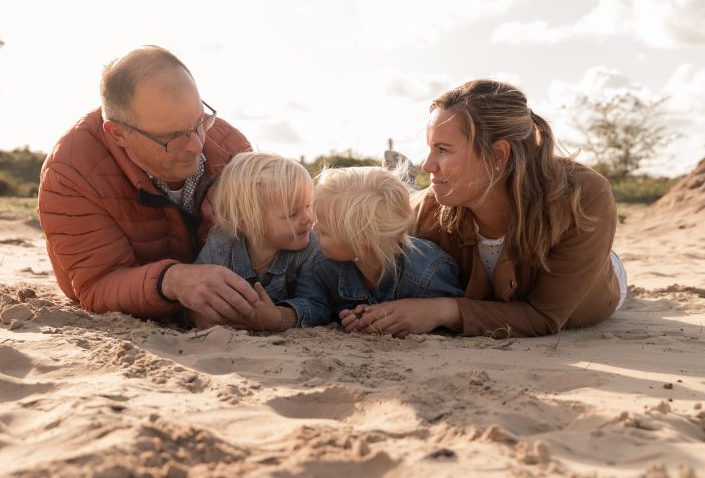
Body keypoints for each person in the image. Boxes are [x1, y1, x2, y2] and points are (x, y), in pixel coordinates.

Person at [350, 79, 628, 338]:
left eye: (443, 150)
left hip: (597, 281)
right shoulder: (432, 206)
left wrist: (443, 311)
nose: (428, 165)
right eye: (430, 149)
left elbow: (544, 315)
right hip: (432, 208)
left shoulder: (584, 197)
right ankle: (401, 183)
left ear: (498, 155)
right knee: (405, 203)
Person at [38, 45, 261, 322]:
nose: (197, 144)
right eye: (173, 137)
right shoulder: (70, 173)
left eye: (200, 121)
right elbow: (97, 285)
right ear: (119, 134)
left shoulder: (230, 146)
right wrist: (172, 280)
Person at [284, 166, 464, 334]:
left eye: (324, 231)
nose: (314, 230)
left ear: (362, 243)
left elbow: (453, 319)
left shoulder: (428, 274)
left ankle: (409, 183)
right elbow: (315, 304)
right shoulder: (323, 262)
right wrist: (351, 319)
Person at [192, 152, 318, 330]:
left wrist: (278, 317)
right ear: (248, 222)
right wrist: (201, 314)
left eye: (308, 205)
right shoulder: (220, 245)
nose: (308, 219)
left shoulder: (310, 249)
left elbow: (317, 304)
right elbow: (196, 291)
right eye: (292, 214)